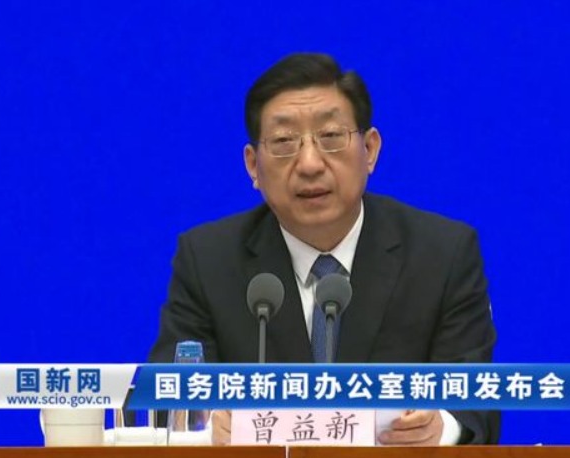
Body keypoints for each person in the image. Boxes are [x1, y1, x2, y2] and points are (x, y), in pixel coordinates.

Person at [148, 53, 499, 445]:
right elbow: (162, 394)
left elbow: (477, 402)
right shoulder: (208, 259)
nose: (310, 164)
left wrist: (440, 428)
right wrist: (209, 425)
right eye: (284, 142)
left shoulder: (442, 253)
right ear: (253, 166)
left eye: (331, 137)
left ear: (370, 149)